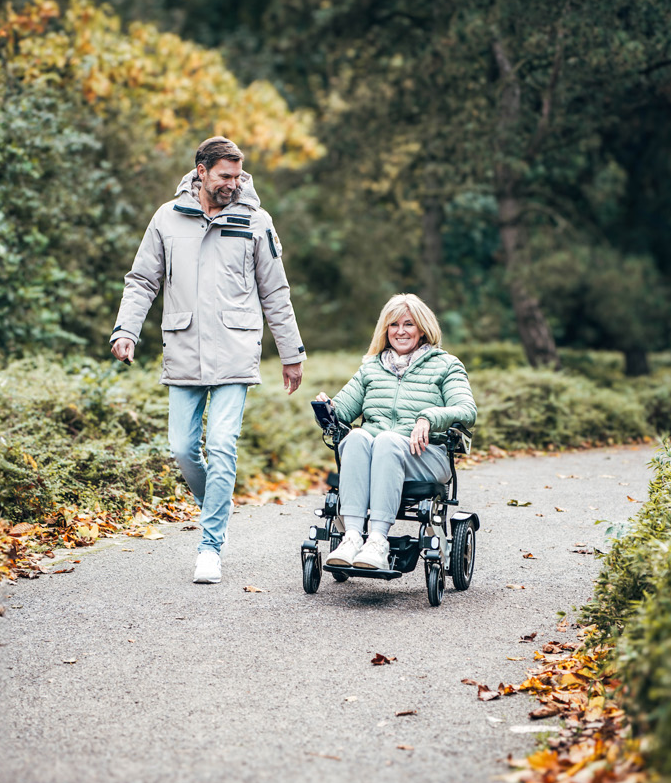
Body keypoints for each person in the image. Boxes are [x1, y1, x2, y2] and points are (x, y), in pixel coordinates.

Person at [110, 136, 305, 585]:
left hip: (236, 350)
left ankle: (210, 546)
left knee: (221, 446)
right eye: (223, 176)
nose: (231, 185)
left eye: (237, 177)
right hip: (183, 348)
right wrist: (126, 330)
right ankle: (218, 501)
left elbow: (275, 292)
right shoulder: (167, 218)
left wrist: (291, 354)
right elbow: (142, 280)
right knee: (181, 448)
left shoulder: (256, 221)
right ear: (201, 171)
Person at [316, 294, 476, 570]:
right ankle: (352, 537)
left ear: (423, 328)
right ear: (385, 330)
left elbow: (466, 410)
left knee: (387, 441)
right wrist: (327, 408)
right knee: (356, 436)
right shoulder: (371, 368)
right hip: (375, 457)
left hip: (424, 456)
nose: (400, 331)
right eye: (393, 325)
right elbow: (341, 412)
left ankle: (377, 541)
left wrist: (428, 417)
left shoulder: (446, 365)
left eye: (408, 324)